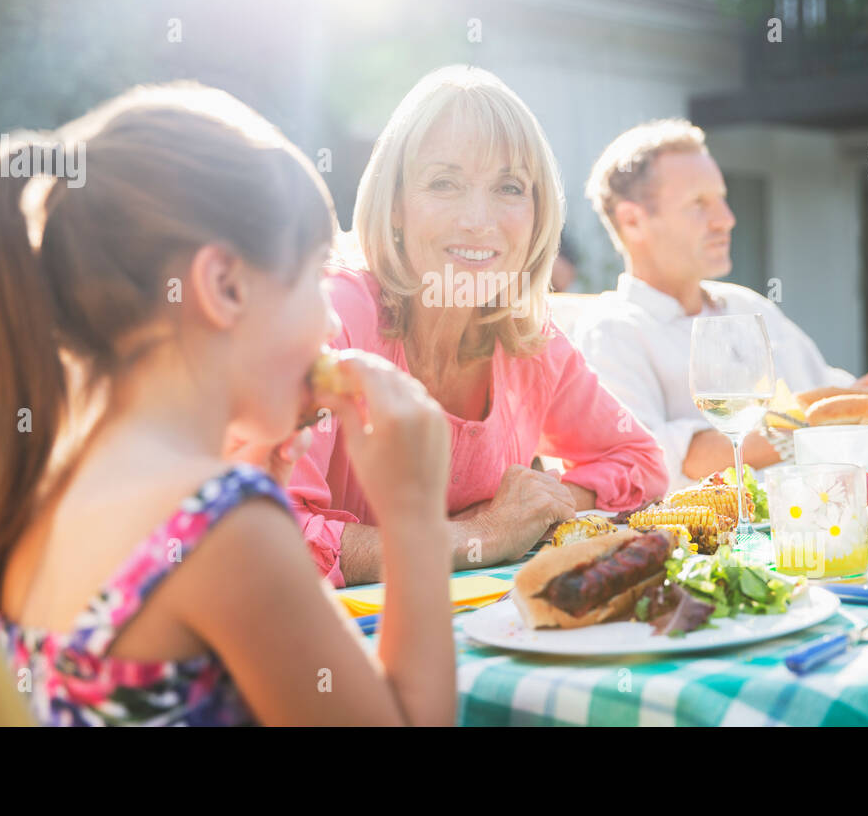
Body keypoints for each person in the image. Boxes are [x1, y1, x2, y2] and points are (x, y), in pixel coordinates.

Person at [0, 83, 455, 725]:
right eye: (317, 275)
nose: (332, 323)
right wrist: (413, 515)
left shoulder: (33, 488)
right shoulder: (223, 530)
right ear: (224, 285)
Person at [272, 67, 668, 587]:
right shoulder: (334, 319)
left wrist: (544, 506)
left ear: (537, 212)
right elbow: (274, 537)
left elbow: (639, 461)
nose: (479, 219)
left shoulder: (527, 339)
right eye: (444, 183)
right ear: (394, 206)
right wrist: (484, 533)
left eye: (508, 187)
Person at [573, 119, 868, 490]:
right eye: (699, 204)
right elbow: (658, 461)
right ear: (633, 222)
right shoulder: (611, 333)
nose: (727, 219)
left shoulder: (747, 307)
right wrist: (812, 419)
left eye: (723, 199)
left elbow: (850, 402)